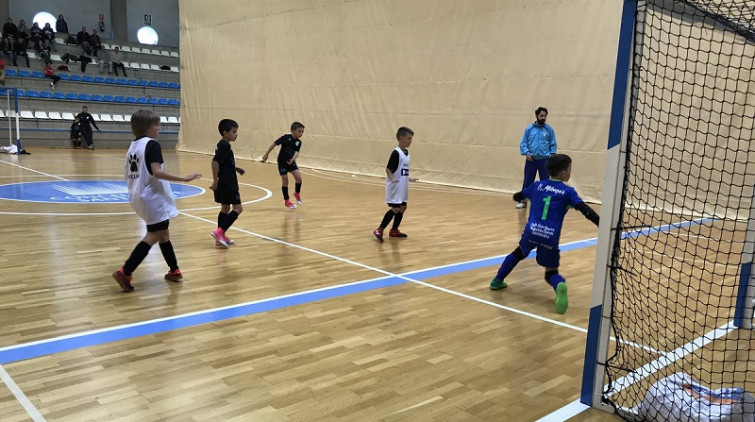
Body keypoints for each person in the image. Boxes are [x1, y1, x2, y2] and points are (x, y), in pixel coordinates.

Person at [489, 154, 599, 314]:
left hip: (532, 231)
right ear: (562, 173)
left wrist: (518, 196)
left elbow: (518, 196)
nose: (570, 172)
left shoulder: (537, 186)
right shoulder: (568, 192)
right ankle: (558, 285)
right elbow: (585, 210)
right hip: (550, 236)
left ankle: (497, 280)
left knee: (518, 253)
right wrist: (599, 223)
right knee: (550, 273)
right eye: (569, 170)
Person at [111, 109, 202, 292]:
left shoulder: (133, 145)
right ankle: (126, 270)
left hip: (139, 195)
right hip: (152, 197)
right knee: (154, 235)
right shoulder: (152, 144)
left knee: (163, 233)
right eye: (156, 125)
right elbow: (157, 171)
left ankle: (174, 270)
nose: (159, 128)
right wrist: (184, 178)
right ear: (148, 128)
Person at [372, 126, 419, 242]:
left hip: (403, 187)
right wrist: (392, 179)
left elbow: (402, 170)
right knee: (396, 209)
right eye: (409, 139)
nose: (410, 141)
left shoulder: (407, 153)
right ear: (401, 138)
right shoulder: (396, 153)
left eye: (411, 139)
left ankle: (394, 230)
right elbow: (388, 169)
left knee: (403, 207)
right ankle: (379, 229)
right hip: (395, 187)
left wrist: (409, 178)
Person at [209, 119, 245, 248]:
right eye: (234, 132)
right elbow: (215, 162)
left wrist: (236, 168)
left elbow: (223, 162)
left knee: (225, 209)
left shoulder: (221, 145)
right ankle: (219, 232)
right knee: (238, 209)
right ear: (225, 133)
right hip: (228, 183)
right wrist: (214, 181)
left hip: (224, 182)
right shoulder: (225, 146)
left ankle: (220, 237)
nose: (236, 134)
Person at [517, 106, 557, 209]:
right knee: (528, 181)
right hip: (531, 161)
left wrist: (552, 155)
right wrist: (527, 153)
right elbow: (523, 143)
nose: (543, 118)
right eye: (541, 116)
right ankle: (523, 201)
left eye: (545, 116)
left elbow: (553, 144)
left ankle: (545, 202)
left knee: (545, 182)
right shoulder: (529, 129)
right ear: (536, 116)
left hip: (544, 161)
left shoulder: (549, 129)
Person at [261, 121, 305, 209]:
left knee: (299, 179)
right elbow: (274, 144)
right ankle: (287, 201)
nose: (301, 133)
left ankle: (297, 193)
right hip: (282, 162)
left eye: (302, 132)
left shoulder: (298, 142)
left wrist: (293, 159)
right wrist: (266, 154)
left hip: (291, 162)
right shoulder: (285, 138)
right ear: (293, 130)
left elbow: (296, 152)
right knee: (285, 182)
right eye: (299, 131)